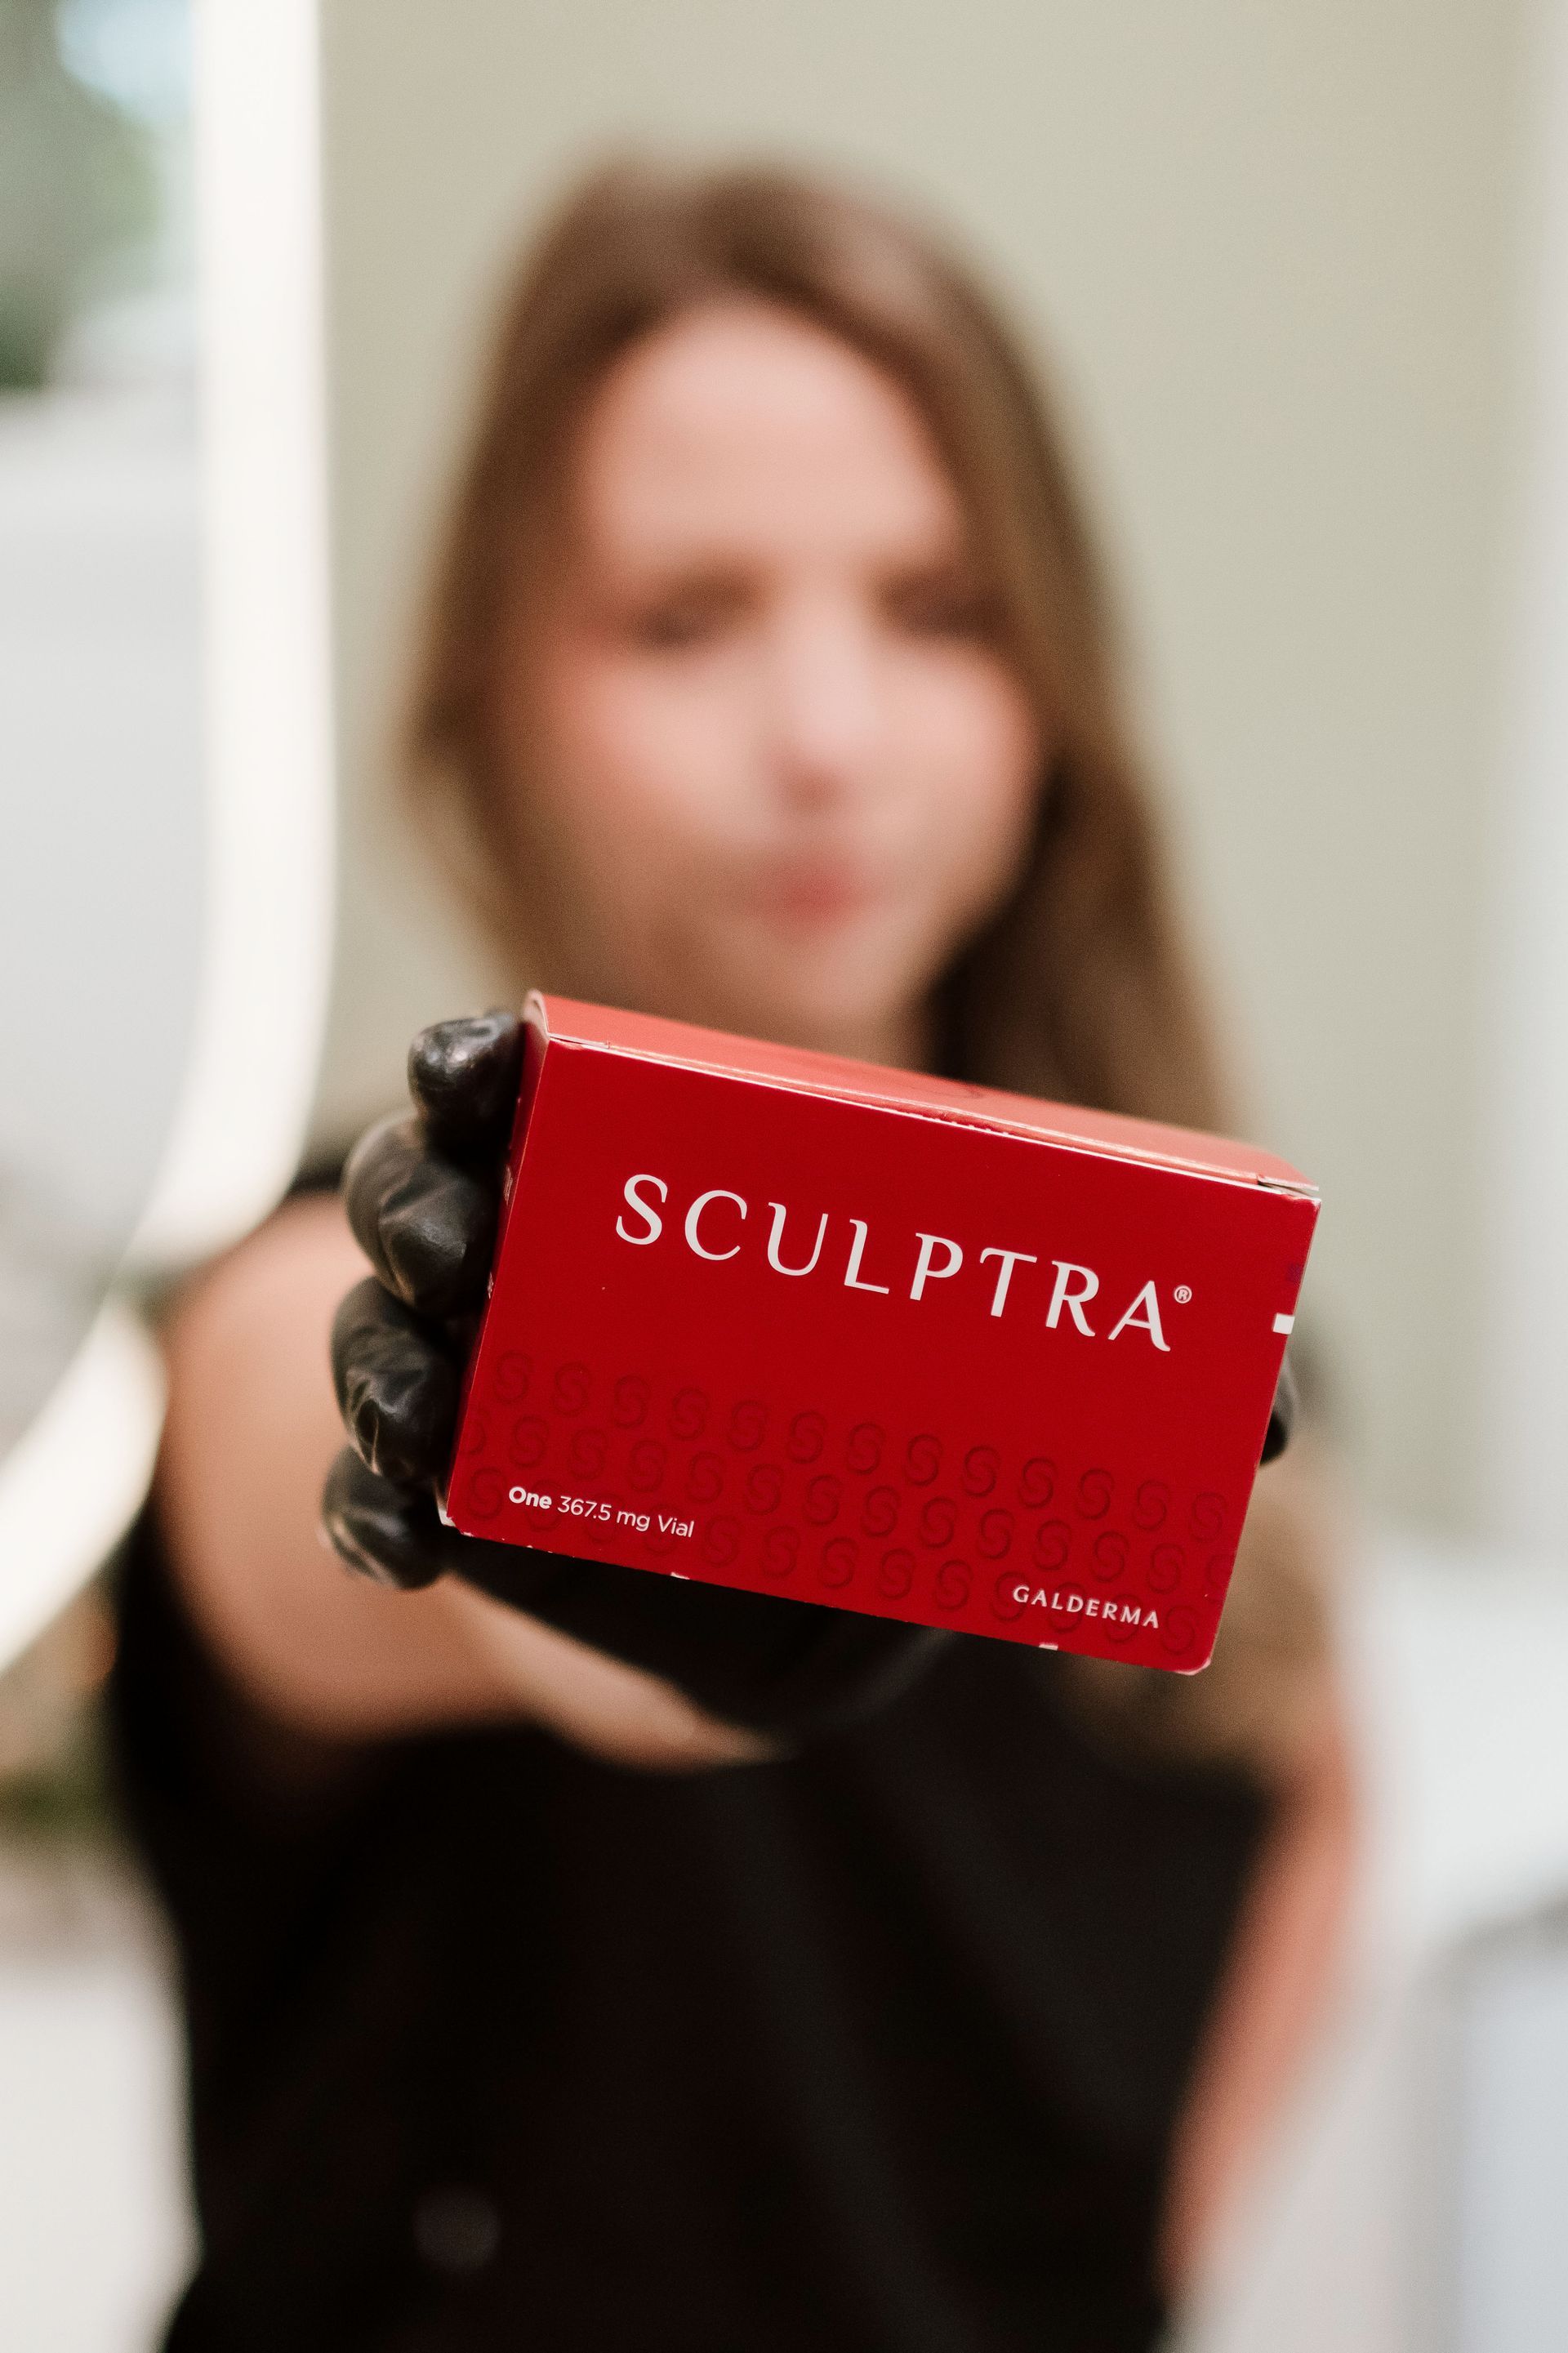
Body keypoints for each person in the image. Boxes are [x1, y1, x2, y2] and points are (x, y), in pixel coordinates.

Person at [112, 161, 1353, 2351]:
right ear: (497, 694)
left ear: (1053, 686)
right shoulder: (339, 1265)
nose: (825, 741)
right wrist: (597, 1516)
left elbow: (1297, 1813)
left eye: (939, 608)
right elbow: (285, 1452)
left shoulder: (1223, 1367)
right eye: (684, 616)